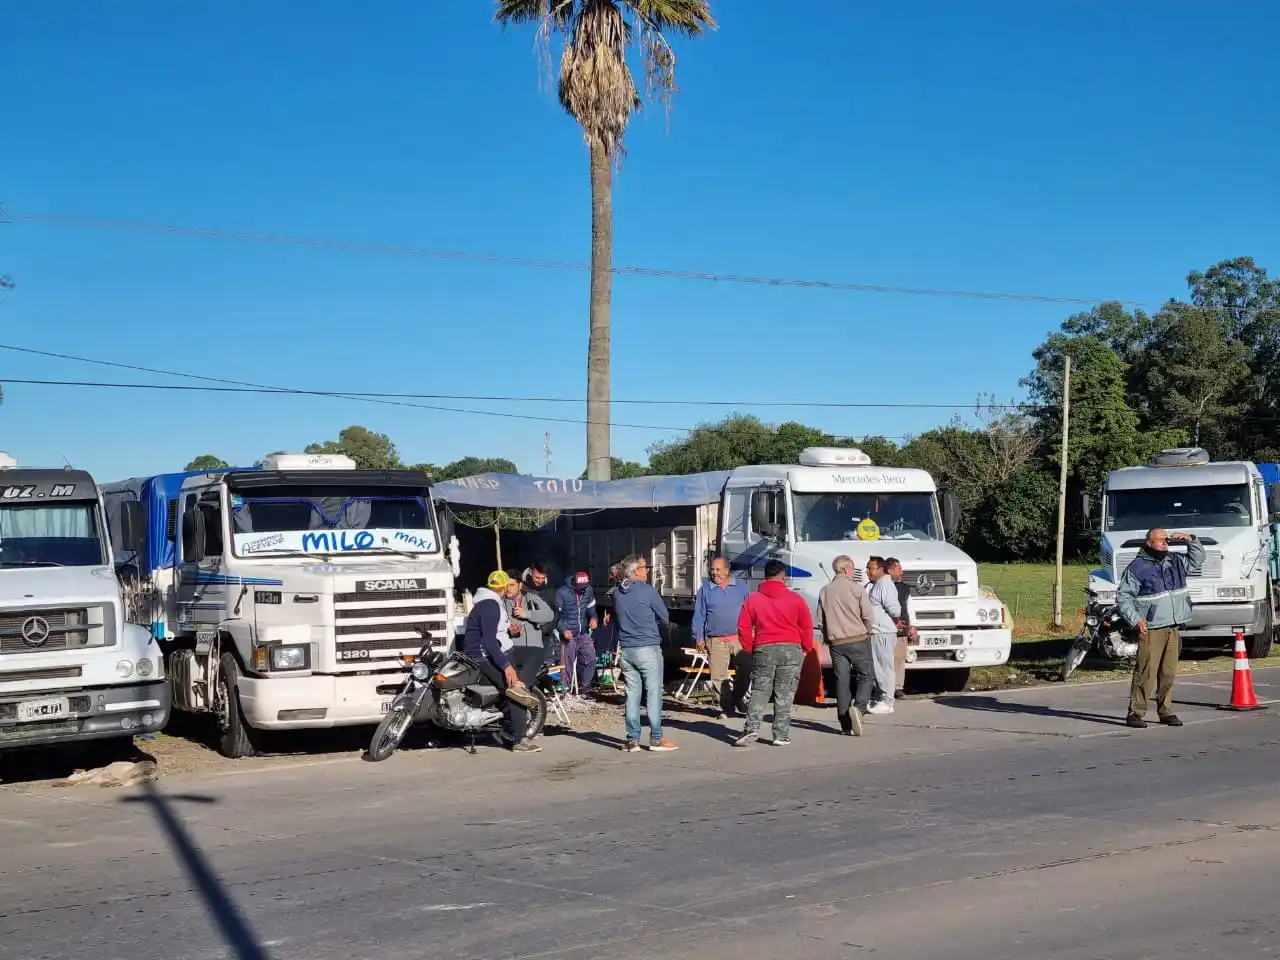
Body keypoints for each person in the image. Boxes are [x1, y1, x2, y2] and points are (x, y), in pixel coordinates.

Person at [1116, 528, 1206, 728]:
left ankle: (1165, 711)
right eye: (1161, 540)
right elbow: (1123, 597)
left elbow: (1198, 559)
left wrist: (1191, 540)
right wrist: (1135, 619)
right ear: (1149, 543)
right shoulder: (1137, 567)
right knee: (1146, 672)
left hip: (1173, 626)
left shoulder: (1176, 561)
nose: (1166, 543)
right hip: (1151, 628)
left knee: (1168, 673)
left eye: (1167, 540)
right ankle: (1135, 713)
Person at [733, 559, 814, 747]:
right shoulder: (795, 599)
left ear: (765, 576)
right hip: (791, 648)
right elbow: (806, 625)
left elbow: (744, 626)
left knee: (760, 691)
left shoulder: (753, 599)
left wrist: (750, 648)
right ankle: (781, 734)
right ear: (783, 577)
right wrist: (805, 648)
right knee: (785, 693)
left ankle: (751, 728)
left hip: (764, 648)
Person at [461, 570, 541, 753]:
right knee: (514, 690)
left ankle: (522, 683)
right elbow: (489, 642)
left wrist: (509, 632)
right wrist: (506, 667)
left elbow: (494, 634)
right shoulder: (490, 606)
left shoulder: (486, 602)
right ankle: (519, 741)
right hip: (483, 657)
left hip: (499, 650)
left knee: (536, 652)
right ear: (504, 588)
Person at [613, 554, 678, 752]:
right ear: (635, 571)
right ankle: (656, 738)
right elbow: (664, 616)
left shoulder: (617, 592)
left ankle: (632, 739)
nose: (647, 570)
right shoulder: (648, 591)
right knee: (653, 693)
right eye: (644, 567)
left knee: (632, 694)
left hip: (627, 649)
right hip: (647, 647)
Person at [818, 554, 876, 735]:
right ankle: (859, 708)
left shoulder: (825, 590)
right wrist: (867, 631)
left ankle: (845, 725)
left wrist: (828, 637)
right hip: (857, 638)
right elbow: (868, 615)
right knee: (866, 675)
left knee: (841, 681)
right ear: (847, 569)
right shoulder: (856, 588)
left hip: (836, 643)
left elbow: (820, 621)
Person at [499, 569, 556, 749]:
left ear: (520, 585)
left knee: (519, 689)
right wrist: (510, 631)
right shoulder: (500, 603)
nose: (508, 589)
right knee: (516, 690)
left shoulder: (531, 599)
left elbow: (549, 615)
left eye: (512, 585)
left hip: (533, 650)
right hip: (511, 650)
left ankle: (520, 737)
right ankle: (518, 738)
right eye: (506, 585)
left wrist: (527, 614)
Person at [692, 556, 751, 719]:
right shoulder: (705, 590)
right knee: (718, 675)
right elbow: (699, 616)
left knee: (746, 670)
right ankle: (727, 707)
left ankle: (737, 698)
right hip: (715, 639)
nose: (714, 573)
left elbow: (750, 610)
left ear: (727, 570)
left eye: (718, 569)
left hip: (739, 638)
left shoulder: (741, 587)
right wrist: (698, 637)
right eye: (712, 569)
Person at [865, 556, 901, 715]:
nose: (868, 571)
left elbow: (895, 609)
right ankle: (880, 698)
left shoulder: (884, 584)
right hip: (877, 631)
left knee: (884, 667)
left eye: (871, 568)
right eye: (867, 568)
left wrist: (893, 619)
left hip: (883, 631)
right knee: (877, 667)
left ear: (881, 569)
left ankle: (887, 701)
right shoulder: (878, 584)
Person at [555, 571, 598, 697]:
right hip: (567, 633)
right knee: (567, 662)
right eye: (581, 588)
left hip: (583, 632)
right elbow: (556, 616)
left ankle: (585, 688)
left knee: (590, 658)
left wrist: (594, 618)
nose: (583, 590)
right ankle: (566, 690)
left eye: (585, 587)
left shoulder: (588, 590)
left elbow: (592, 610)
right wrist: (563, 630)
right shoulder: (562, 592)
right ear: (574, 584)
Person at [885, 558, 914, 700]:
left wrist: (912, 626)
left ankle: (898, 687)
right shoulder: (877, 586)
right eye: (898, 569)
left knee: (900, 658)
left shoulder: (904, 588)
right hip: (884, 629)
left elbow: (910, 608)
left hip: (902, 630)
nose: (901, 572)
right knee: (886, 659)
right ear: (890, 570)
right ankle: (885, 687)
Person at [522, 561, 560, 667]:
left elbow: (555, 610)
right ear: (531, 572)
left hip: (545, 634)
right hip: (525, 636)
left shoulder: (549, 587)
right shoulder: (521, 586)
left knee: (545, 664)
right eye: (537, 578)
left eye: (543, 578)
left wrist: (549, 628)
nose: (540, 581)